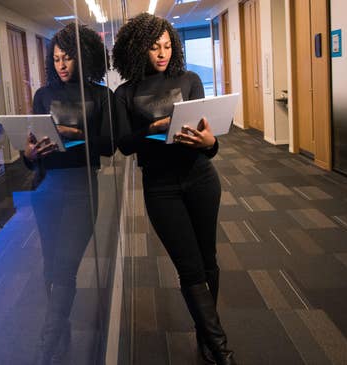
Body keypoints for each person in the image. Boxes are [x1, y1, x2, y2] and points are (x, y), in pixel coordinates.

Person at [111, 13, 236, 365]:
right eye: (154, 47)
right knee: (189, 265)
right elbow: (124, 143)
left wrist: (210, 141)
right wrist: (160, 126)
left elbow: (208, 145)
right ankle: (221, 348)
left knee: (208, 258)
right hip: (161, 187)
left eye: (167, 46)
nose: (162, 53)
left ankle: (206, 335)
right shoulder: (126, 93)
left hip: (201, 179)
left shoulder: (191, 79)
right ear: (138, 49)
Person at [23, 23, 114, 364]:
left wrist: (74, 132)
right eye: (57, 58)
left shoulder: (100, 95)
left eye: (68, 58)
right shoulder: (42, 96)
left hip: (81, 186)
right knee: (51, 265)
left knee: (65, 265)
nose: (61, 64)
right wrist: (29, 155)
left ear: (83, 56)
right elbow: (32, 150)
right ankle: (58, 329)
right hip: (47, 186)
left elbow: (108, 147)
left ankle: (48, 342)